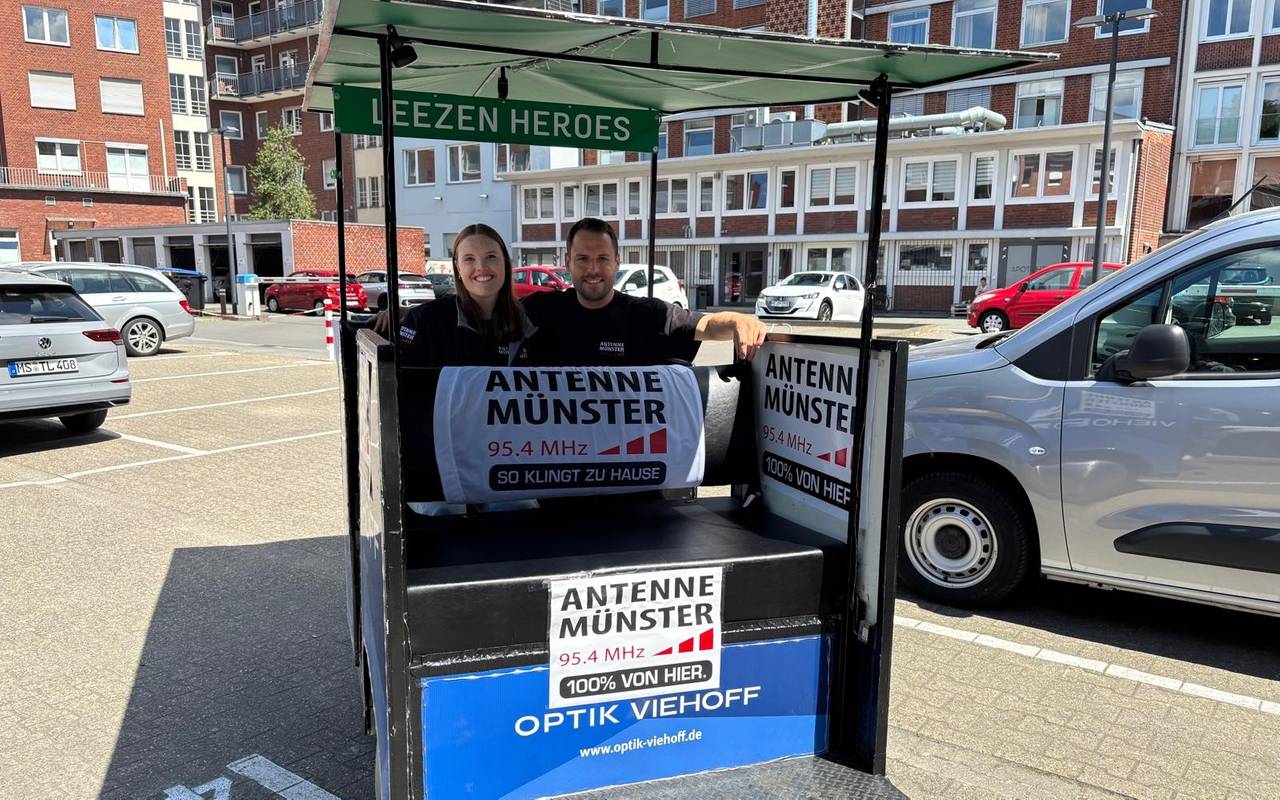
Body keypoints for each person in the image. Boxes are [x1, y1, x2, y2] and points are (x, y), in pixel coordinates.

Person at [522, 217, 766, 366]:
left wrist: (737, 319)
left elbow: (707, 325)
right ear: (568, 262)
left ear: (617, 262)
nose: (593, 269)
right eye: (582, 259)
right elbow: (491, 317)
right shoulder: (541, 309)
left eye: (603, 258)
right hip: (556, 447)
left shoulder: (646, 314)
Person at [378, 224, 534, 367]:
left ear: (506, 265)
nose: (481, 267)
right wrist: (411, 314)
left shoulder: (534, 319)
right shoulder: (427, 322)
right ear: (458, 268)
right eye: (469, 259)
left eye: (491, 257)